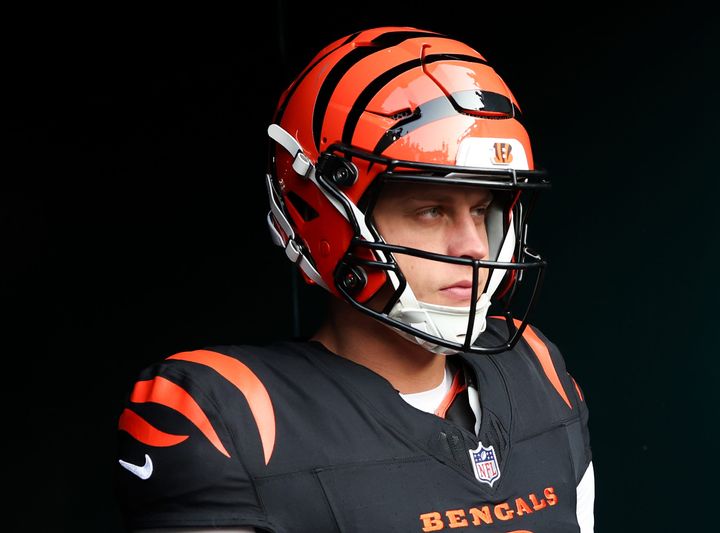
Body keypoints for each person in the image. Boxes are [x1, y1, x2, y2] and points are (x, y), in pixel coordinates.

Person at [115, 26, 594, 533]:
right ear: (327, 215)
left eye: (482, 211)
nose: (474, 245)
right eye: (430, 211)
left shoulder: (536, 369)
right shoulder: (238, 418)